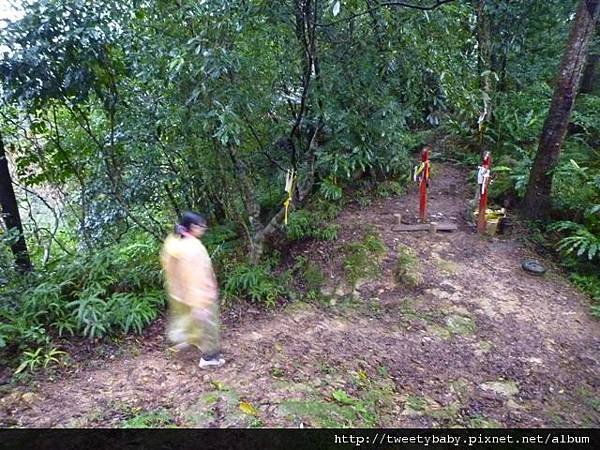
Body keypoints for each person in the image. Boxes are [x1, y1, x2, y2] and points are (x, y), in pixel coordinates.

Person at [160, 211, 225, 368]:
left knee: (189, 320)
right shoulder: (192, 249)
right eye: (201, 225)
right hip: (199, 295)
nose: (204, 228)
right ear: (193, 227)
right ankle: (210, 358)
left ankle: (186, 339)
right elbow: (196, 277)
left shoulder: (174, 243)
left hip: (180, 293)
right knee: (209, 325)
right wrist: (200, 303)